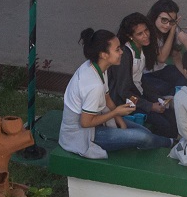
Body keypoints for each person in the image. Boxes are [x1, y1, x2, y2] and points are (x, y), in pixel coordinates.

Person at [59, 27, 173, 158]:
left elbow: (107, 98)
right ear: (104, 55)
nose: (121, 52)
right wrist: (116, 112)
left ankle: (156, 145)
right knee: (144, 136)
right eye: (117, 49)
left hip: (97, 122)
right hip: (83, 134)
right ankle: (170, 144)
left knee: (144, 131)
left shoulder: (98, 67)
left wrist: (120, 121)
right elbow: (85, 123)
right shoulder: (93, 85)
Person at [108, 11, 174, 137]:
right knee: (162, 124)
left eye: (146, 30)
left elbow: (139, 79)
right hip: (125, 102)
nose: (145, 35)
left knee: (170, 113)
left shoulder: (141, 49)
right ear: (130, 36)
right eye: (140, 34)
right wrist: (149, 106)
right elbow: (124, 92)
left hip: (137, 95)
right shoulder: (125, 55)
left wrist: (156, 98)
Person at [141, 0, 187, 97]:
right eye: (164, 20)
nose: (167, 25)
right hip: (145, 74)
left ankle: (172, 98)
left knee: (183, 81)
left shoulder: (172, 27)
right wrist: (172, 31)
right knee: (164, 88)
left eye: (172, 21)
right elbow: (162, 58)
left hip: (162, 69)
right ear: (155, 16)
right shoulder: (146, 32)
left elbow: (176, 56)